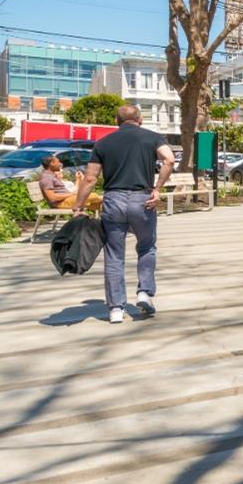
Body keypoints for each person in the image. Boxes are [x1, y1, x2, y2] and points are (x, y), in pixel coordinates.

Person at [73, 105, 174, 324]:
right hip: (143, 200)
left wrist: (78, 207)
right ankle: (145, 293)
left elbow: (90, 178)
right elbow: (169, 160)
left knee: (114, 254)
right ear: (140, 119)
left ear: (117, 121)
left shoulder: (103, 143)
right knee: (147, 247)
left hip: (114, 200)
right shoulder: (153, 138)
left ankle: (116, 309)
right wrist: (157, 189)